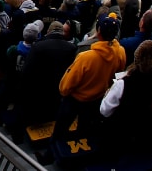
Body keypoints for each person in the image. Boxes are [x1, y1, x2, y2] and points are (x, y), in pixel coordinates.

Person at [53, 13, 126, 143]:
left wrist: (65, 93)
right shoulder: (120, 52)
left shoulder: (86, 57)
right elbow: (117, 74)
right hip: (96, 99)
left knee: (60, 129)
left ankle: (52, 153)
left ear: (98, 32)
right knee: (83, 130)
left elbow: (65, 86)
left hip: (75, 100)